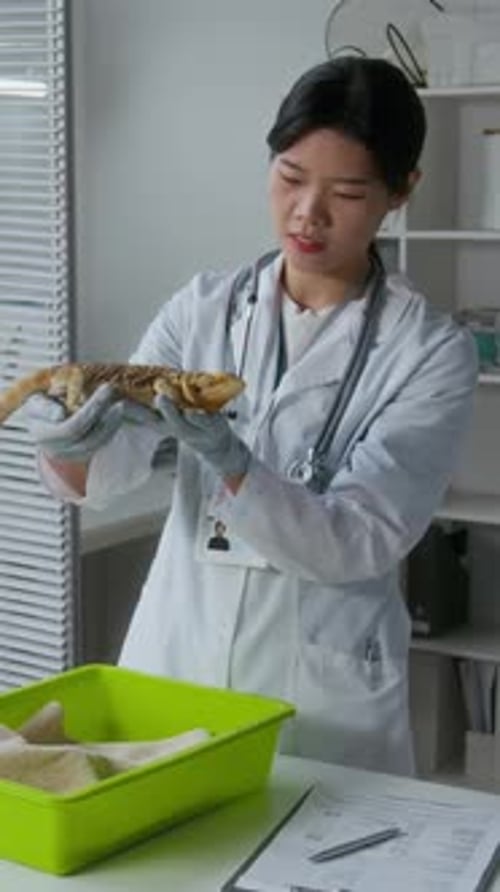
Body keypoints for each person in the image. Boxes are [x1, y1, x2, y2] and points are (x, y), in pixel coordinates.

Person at [23, 57, 477, 775]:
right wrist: (68, 443)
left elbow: (362, 539)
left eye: (348, 192)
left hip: (322, 699)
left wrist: (237, 467)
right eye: (291, 178)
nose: (308, 214)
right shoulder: (201, 309)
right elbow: (112, 468)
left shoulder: (429, 352)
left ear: (400, 191)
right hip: (179, 659)